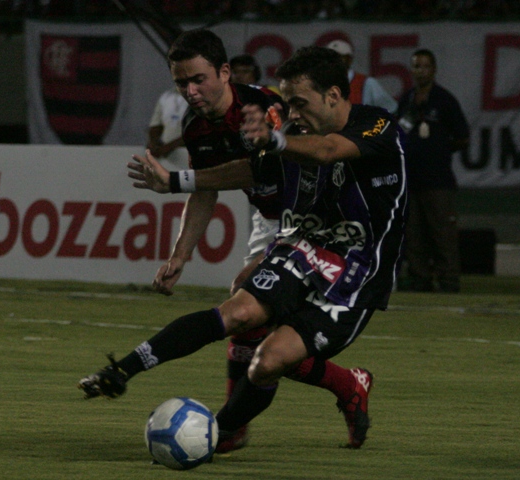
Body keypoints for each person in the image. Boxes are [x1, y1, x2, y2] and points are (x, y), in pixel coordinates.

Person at [80, 44, 406, 453]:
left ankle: (222, 429)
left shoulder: (377, 125)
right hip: (303, 245)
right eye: (287, 104)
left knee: (270, 360)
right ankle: (127, 372)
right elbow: (253, 169)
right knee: (239, 309)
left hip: (358, 268)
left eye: (299, 103)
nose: (292, 114)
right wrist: (179, 181)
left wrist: (276, 140)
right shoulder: (291, 133)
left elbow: (328, 152)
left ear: (334, 96)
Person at [396, 48, 469, 293]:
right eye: (416, 66)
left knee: (442, 233)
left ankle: (449, 280)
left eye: (425, 66)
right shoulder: (406, 100)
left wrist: (439, 150)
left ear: (434, 69)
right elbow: (398, 132)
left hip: (438, 180)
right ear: (411, 70)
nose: (421, 70)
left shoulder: (444, 100)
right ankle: (420, 278)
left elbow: (462, 137)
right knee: (414, 234)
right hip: (411, 179)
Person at [326, 39, 397, 113]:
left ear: (349, 59)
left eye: (338, 57)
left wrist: (376, 124)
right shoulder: (321, 83)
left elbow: (391, 111)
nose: (333, 61)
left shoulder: (367, 83)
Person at [146, 86, 190, 170]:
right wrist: (153, 143)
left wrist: (169, 147)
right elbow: (156, 125)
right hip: (168, 157)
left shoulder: (202, 97)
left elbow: (198, 131)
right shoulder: (166, 96)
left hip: (190, 156)